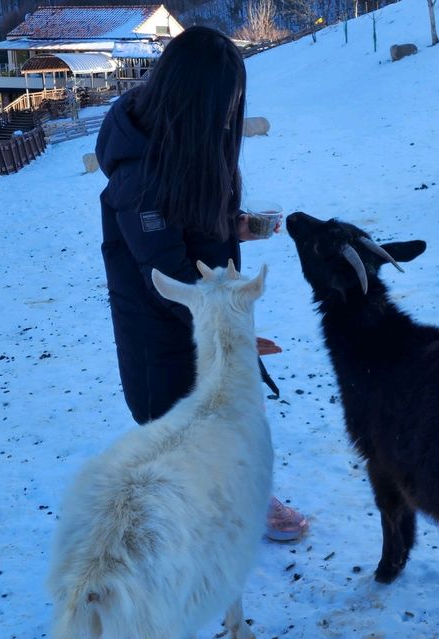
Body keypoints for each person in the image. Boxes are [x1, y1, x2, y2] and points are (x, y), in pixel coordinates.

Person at [95, 26, 307, 542]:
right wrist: (227, 332)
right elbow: (166, 273)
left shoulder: (186, 139)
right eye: (224, 104)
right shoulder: (136, 175)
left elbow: (189, 221)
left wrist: (234, 227)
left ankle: (244, 491)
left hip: (210, 307)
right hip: (162, 320)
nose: (230, 115)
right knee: (180, 422)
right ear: (191, 101)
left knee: (234, 403)